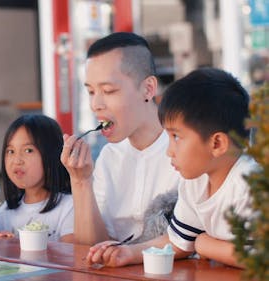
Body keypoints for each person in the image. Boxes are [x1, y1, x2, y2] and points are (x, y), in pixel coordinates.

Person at [86, 68, 257, 268]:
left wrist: (203, 244)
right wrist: (129, 252)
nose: (169, 151)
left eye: (176, 137)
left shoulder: (249, 185)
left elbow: (258, 257)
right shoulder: (195, 182)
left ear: (217, 143)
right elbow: (179, 242)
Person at [61, 32, 181, 245]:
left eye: (108, 90)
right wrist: (80, 181)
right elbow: (90, 247)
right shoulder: (109, 156)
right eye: (90, 91)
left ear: (148, 88)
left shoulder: (185, 151)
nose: (96, 104)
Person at [0, 114, 75, 242]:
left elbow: (69, 256)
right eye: (11, 151)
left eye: (28, 150)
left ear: (51, 155)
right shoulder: (10, 208)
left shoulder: (69, 205)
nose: (16, 161)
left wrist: (14, 246)